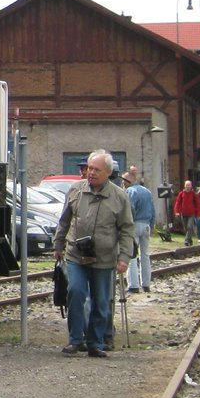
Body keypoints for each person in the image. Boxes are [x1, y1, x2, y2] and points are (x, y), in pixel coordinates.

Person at [54, 149, 134, 358]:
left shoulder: (119, 196)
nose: (91, 173)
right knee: (76, 292)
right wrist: (58, 245)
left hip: (104, 258)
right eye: (89, 168)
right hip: (75, 255)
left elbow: (126, 229)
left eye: (96, 169)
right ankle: (75, 340)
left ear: (108, 172)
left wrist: (124, 257)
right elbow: (64, 221)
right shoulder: (75, 190)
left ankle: (96, 342)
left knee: (101, 301)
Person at [122, 169, 156, 293]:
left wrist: (126, 225)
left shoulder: (130, 191)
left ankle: (133, 284)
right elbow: (153, 209)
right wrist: (152, 225)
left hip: (135, 224)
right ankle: (146, 283)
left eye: (124, 180)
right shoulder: (147, 191)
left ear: (128, 181)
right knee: (145, 255)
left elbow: (130, 210)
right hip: (146, 224)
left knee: (131, 255)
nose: (123, 183)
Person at [173, 180, 200, 247]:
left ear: (191, 186)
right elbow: (177, 203)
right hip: (183, 213)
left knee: (189, 227)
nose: (188, 186)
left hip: (191, 213)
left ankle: (186, 240)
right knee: (186, 228)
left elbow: (198, 204)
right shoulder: (181, 193)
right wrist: (177, 212)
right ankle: (190, 240)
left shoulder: (194, 194)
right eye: (186, 185)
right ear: (184, 186)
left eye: (189, 185)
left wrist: (198, 214)